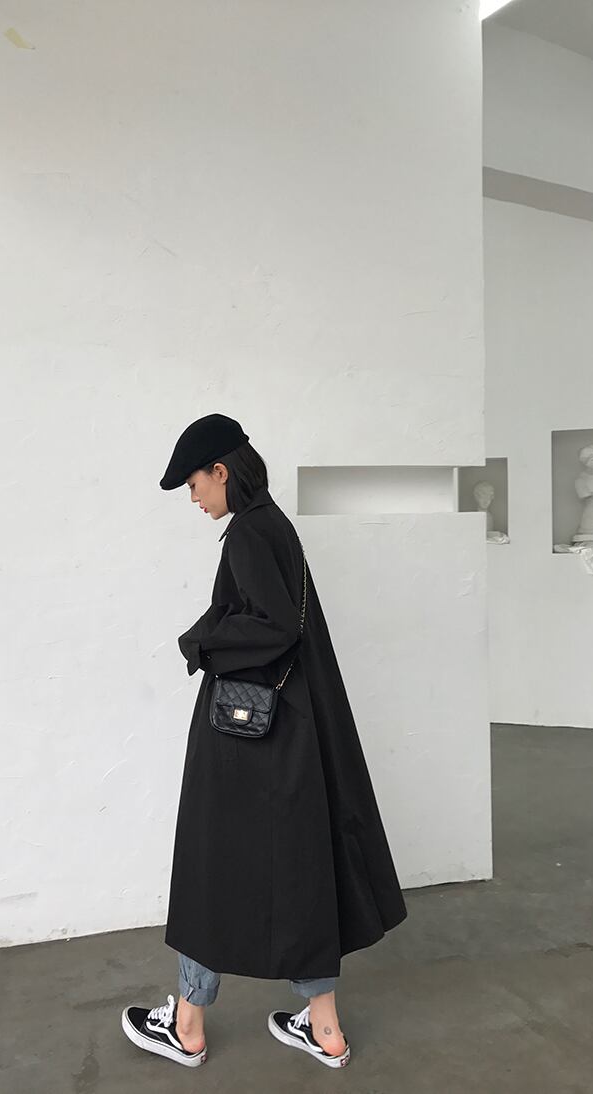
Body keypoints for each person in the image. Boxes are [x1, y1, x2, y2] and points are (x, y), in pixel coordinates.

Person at [121, 413, 407, 1070]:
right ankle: (324, 1028)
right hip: (293, 730)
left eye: (195, 484)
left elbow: (272, 626)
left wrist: (201, 642)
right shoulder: (275, 525)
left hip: (248, 735)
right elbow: (282, 622)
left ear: (220, 471)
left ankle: (187, 1025)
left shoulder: (249, 532)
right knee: (301, 867)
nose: (194, 498)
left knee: (210, 864)